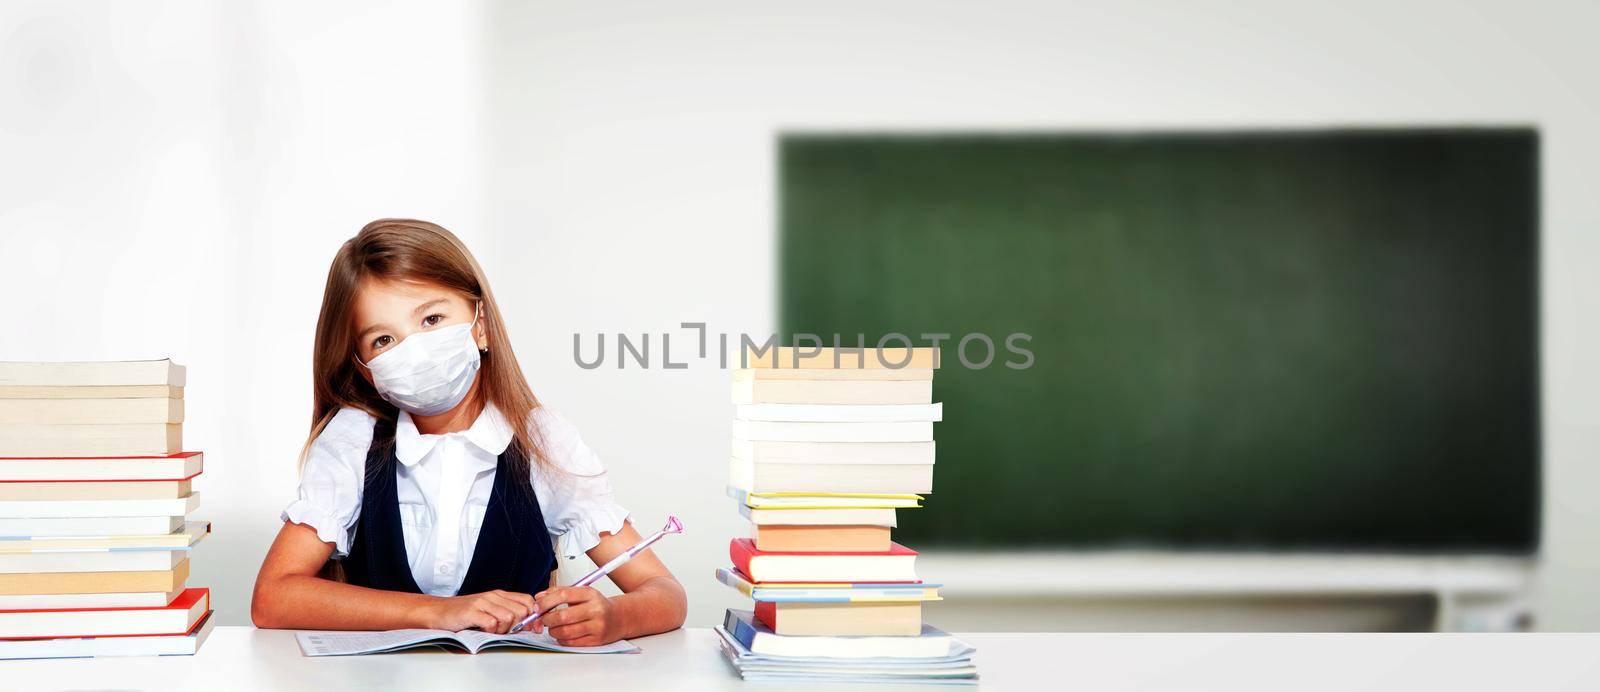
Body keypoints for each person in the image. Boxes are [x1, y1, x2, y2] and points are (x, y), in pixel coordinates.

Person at [251, 219, 685, 645]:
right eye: (383, 340)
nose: (414, 349)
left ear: (480, 324)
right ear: (366, 371)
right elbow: (273, 598)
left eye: (432, 319)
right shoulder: (354, 439)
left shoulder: (542, 441)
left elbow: (666, 594)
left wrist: (615, 617)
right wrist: (440, 613)